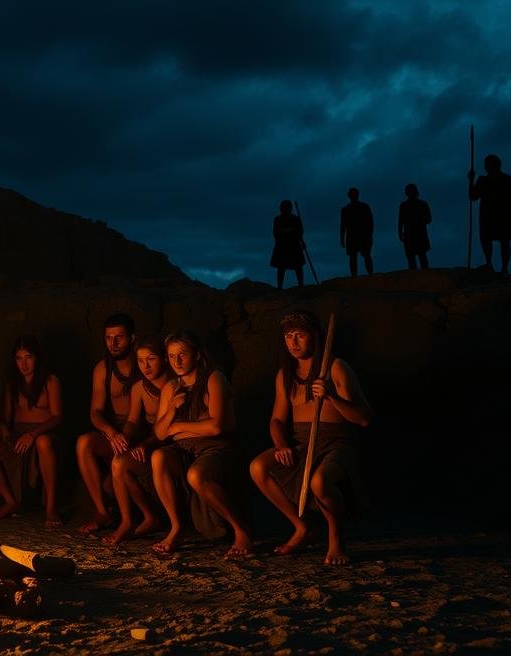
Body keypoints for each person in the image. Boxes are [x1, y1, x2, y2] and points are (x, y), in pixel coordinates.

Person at [249, 310, 373, 565]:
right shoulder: (285, 375)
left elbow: (363, 418)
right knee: (258, 467)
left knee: (319, 482)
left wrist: (331, 396)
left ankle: (336, 538)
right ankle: (301, 526)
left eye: (300, 335)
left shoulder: (336, 367)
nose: (293, 342)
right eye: (288, 336)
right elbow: (276, 420)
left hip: (337, 443)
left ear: (315, 337)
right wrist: (282, 444)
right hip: (303, 441)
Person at [150, 330, 253, 558]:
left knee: (196, 475)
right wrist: (172, 411)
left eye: (182, 355)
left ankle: (240, 530)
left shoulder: (214, 378)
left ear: (196, 355)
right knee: (158, 457)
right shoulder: (171, 387)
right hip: (184, 450)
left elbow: (216, 427)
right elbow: (159, 433)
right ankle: (176, 528)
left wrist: (177, 427)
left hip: (215, 449)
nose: (176, 361)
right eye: (172, 355)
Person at [0, 336, 63, 526]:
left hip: (41, 433)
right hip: (17, 436)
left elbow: (57, 417)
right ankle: (10, 501)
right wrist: (5, 431)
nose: (23, 364)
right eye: (18, 358)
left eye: (28, 357)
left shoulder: (50, 380)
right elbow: (3, 419)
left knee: (43, 442)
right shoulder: (12, 383)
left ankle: (51, 507)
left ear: (37, 358)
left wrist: (33, 434)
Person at [102, 336, 172, 545]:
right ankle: (132, 519)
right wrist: (124, 436)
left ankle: (152, 518)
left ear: (164, 359)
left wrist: (145, 444)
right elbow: (132, 420)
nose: (145, 366)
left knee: (123, 464)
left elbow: (166, 430)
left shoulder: (174, 384)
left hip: (168, 442)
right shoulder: (140, 387)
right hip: (148, 440)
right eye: (140, 361)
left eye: (151, 359)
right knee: (118, 461)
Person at [76, 312, 139, 534]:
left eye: (119, 337)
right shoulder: (103, 369)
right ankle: (102, 511)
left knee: (112, 483)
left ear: (132, 338)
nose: (113, 343)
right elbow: (95, 412)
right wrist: (111, 432)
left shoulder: (145, 364)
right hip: (115, 430)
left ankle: (132, 516)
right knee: (84, 443)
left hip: (140, 431)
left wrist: (127, 436)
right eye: (108, 337)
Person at [468, 154, 511, 273]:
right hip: (489, 214)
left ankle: (504, 267)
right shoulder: (483, 180)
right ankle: (489, 263)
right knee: (487, 239)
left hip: (503, 214)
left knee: (504, 240)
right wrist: (471, 180)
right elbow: (473, 196)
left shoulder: (506, 179)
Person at [340, 188, 375, 277]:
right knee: (356, 256)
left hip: (360, 236)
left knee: (362, 256)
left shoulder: (350, 209)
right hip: (357, 236)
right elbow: (343, 226)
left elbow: (370, 222)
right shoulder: (348, 209)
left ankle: (365, 274)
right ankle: (362, 275)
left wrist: (370, 235)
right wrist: (342, 239)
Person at [271, 200, 305, 289]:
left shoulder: (296, 219)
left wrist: (301, 239)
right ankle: (279, 286)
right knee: (281, 267)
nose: (284, 209)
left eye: (287, 207)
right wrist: (286, 230)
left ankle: (301, 284)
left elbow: (300, 231)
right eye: (283, 207)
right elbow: (275, 233)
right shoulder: (277, 219)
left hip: (294, 245)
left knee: (298, 266)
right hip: (282, 245)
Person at [398, 183, 432, 270]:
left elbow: (429, 218)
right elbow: (401, 220)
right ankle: (415, 273)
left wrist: (419, 220)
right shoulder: (404, 205)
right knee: (411, 257)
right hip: (409, 234)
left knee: (421, 255)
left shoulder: (422, 204)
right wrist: (399, 232)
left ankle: (424, 273)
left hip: (419, 233)